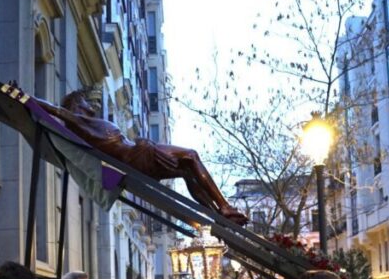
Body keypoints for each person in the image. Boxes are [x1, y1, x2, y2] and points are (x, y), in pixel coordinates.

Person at [28, 88, 248, 224]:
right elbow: (55, 110)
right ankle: (224, 206)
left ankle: (215, 212)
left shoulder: (88, 124)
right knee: (190, 156)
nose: (90, 104)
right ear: (77, 106)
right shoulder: (80, 123)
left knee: (186, 170)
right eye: (85, 102)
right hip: (138, 157)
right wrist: (27, 98)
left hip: (138, 153)